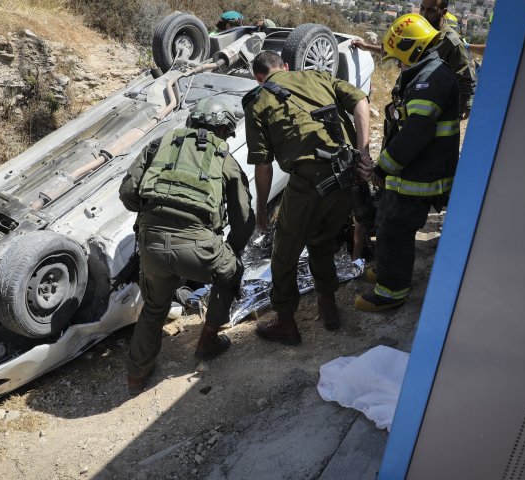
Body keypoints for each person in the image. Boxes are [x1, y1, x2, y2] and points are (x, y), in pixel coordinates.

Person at [119, 98, 255, 395]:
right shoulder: (225, 159)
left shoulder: (159, 145)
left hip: (152, 244)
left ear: (193, 121)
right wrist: (229, 251)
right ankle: (207, 341)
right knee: (230, 273)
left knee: (155, 307)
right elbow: (244, 219)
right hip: (198, 246)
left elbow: (128, 194)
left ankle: (136, 375)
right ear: (223, 129)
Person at [243, 51, 371, 343]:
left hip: (309, 182)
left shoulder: (257, 100)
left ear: (258, 78)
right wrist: (363, 153)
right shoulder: (318, 75)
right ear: (286, 67)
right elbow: (361, 102)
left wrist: (261, 209)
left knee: (284, 252)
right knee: (322, 240)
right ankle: (328, 307)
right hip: (347, 176)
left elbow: (262, 166)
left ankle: (286, 322)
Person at [354, 13, 459, 312]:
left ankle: (390, 293)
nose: (398, 64)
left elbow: (414, 134)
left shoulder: (431, 80)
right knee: (389, 224)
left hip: (418, 177)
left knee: (394, 231)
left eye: (399, 58)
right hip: (410, 173)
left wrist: (382, 167)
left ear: (412, 50)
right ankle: (391, 271)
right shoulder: (426, 72)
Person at [418, 0, 475, 119]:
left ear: (443, 12)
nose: (424, 15)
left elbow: (464, 77)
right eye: (422, 8)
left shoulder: (451, 42)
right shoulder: (418, 33)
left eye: (431, 10)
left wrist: (465, 105)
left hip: (437, 109)